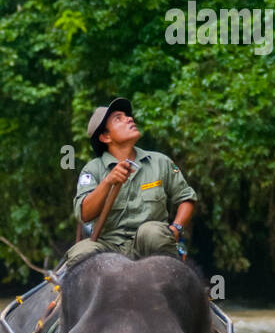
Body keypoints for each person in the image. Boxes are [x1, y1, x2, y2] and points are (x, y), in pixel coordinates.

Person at [64, 97, 197, 266]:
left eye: (127, 116)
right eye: (118, 118)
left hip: (150, 245)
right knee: (80, 252)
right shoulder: (92, 170)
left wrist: (177, 228)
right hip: (108, 246)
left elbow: (187, 197)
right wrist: (108, 182)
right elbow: (85, 214)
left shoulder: (160, 162)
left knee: (152, 232)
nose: (129, 118)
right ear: (105, 137)